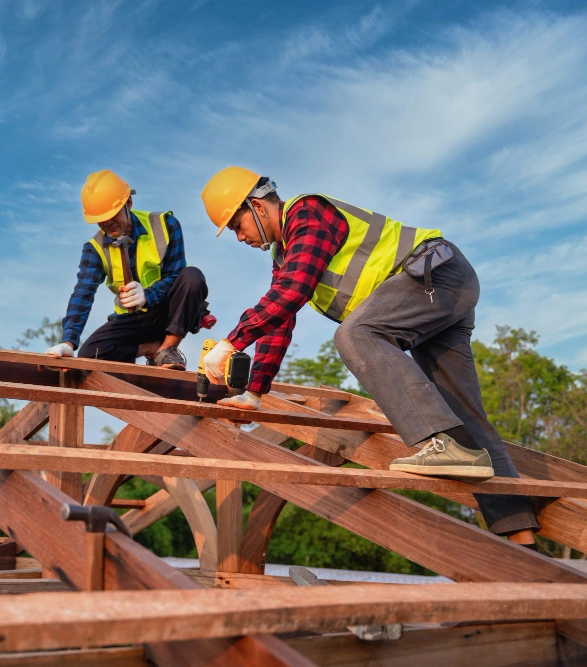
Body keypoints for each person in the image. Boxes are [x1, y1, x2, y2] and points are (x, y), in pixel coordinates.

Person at [198, 166, 538, 548]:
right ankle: (520, 536)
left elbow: (292, 293)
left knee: (355, 334)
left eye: (236, 225)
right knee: (460, 412)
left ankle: (443, 444)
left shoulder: (307, 213)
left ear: (257, 207)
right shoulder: (284, 258)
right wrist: (254, 392)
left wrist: (232, 341)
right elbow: (280, 318)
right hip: (440, 288)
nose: (239, 237)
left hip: (434, 277)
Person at [44, 169, 208, 370]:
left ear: (128, 203)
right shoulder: (94, 249)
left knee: (193, 276)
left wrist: (147, 295)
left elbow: (176, 275)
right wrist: (68, 341)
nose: (107, 223)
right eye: (100, 218)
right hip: (134, 319)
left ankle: (168, 349)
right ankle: (151, 348)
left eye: (111, 215)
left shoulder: (165, 225)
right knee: (89, 355)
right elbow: (82, 294)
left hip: (169, 311)